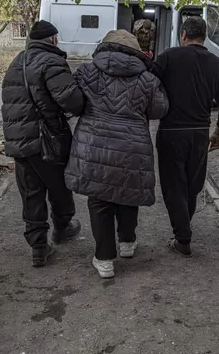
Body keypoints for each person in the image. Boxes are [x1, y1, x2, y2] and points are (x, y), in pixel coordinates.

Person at [65, 30, 168, 278]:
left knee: (99, 200)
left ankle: (104, 260)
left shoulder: (86, 72)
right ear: (136, 52)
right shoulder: (148, 79)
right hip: (132, 146)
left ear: (104, 48)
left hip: (93, 145)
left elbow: (74, 104)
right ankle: (127, 242)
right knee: (127, 193)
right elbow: (159, 110)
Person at [1, 20, 85, 268]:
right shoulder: (51, 61)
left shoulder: (17, 62)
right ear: (52, 39)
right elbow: (72, 101)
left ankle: (39, 248)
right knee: (59, 187)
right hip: (47, 138)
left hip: (19, 142)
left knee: (31, 192)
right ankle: (62, 227)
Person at [153, 16, 219, 258]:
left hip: (170, 132)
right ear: (204, 37)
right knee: (191, 185)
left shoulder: (168, 57)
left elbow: (149, 85)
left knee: (172, 185)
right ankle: (183, 232)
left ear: (184, 35)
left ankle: (183, 237)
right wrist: (217, 132)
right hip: (199, 134)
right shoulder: (218, 65)